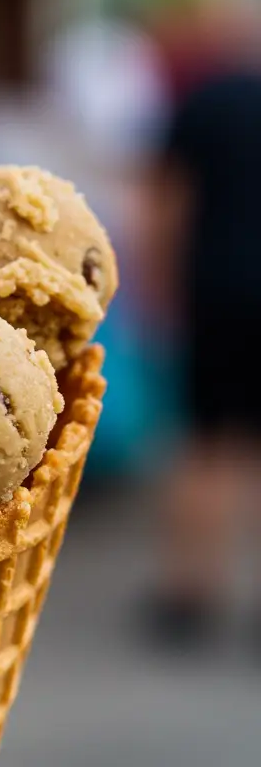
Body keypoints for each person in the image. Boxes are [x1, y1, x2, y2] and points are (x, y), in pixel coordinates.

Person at [144, 67, 261, 649]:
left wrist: (157, 287)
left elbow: (168, 203)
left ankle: (192, 591)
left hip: (215, 294)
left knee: (203, 445)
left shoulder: (204, 101)